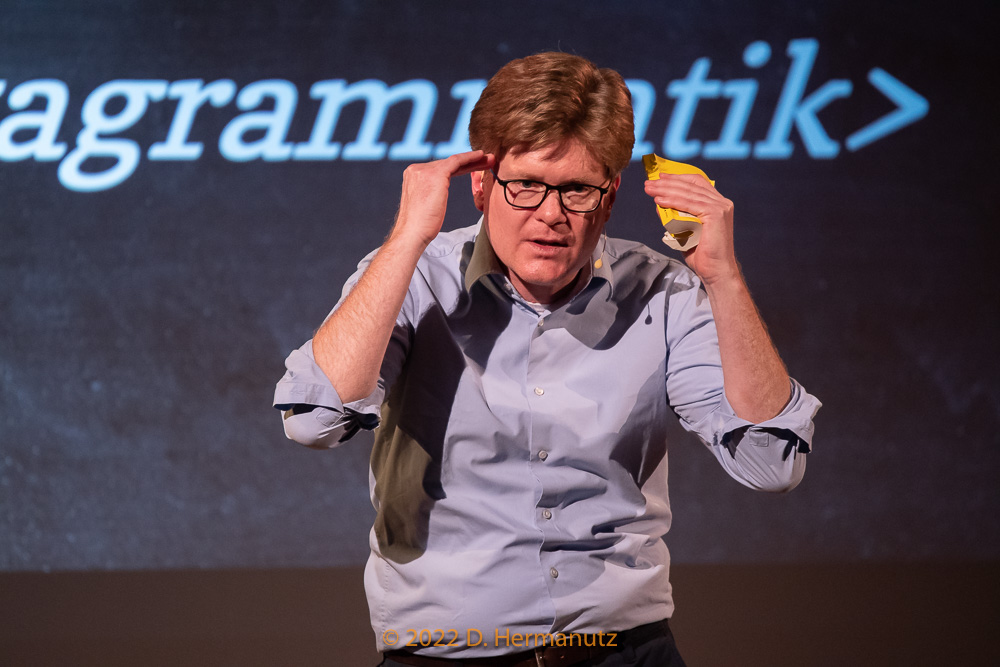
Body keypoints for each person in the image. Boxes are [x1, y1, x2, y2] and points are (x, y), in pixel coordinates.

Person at [273, 51, 820, 667]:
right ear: (481, 185)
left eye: (577, 190)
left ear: (609, 196)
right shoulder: (417, 277)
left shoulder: (663, 291)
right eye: (527, 185)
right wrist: (405, 238)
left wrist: (723, 278)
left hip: (622, 651)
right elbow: (313, 423)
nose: (552, 215)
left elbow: (770, 464)